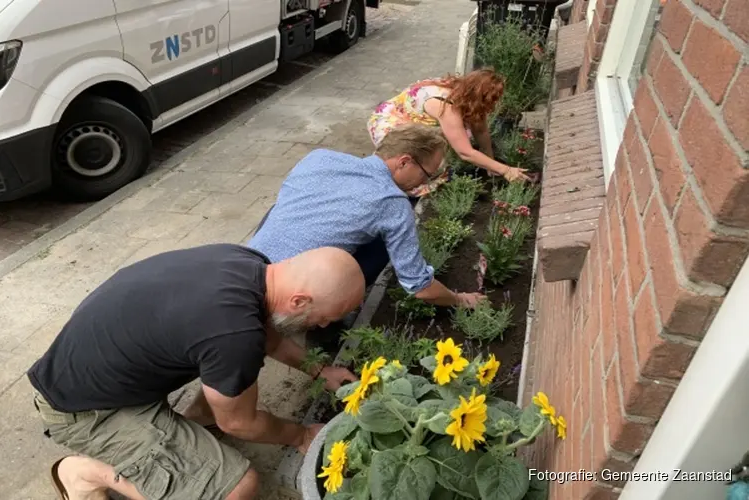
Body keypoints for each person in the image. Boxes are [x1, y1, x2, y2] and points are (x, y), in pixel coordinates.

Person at [27, 244, 365, 500]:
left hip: (100, 374)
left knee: (233, 373)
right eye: (325, 316)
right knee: (237, 488)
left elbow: (267, 335)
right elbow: (238, 423)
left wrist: (320, 371)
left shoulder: (249, 264)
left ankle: (191, 426)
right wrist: (301, 436)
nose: (324, 324)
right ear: (299, 302)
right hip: (84, 412)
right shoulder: (234, 333)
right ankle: (83, 474)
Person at [247, 123, 486, 311]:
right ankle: (330, 316)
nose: (427, 183)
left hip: (247, 263)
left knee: (285, 208)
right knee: (383, 244)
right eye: (427, 175)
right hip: (289, 297)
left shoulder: (319, 157)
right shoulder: (392, 203)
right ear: (404, 162)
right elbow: (420, 288)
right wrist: (459, 299)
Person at [367, 68, 531, 198]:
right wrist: (506, 170)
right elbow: (464, 152)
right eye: (492, 100)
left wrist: (490, 161)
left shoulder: (465, 93)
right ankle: (395, 193)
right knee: (414, 167)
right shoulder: (446, 106)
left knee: (442, 150)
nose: (494, 105)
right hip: (391, 122)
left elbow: (480, 129)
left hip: (414, 122)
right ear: (478, 96)